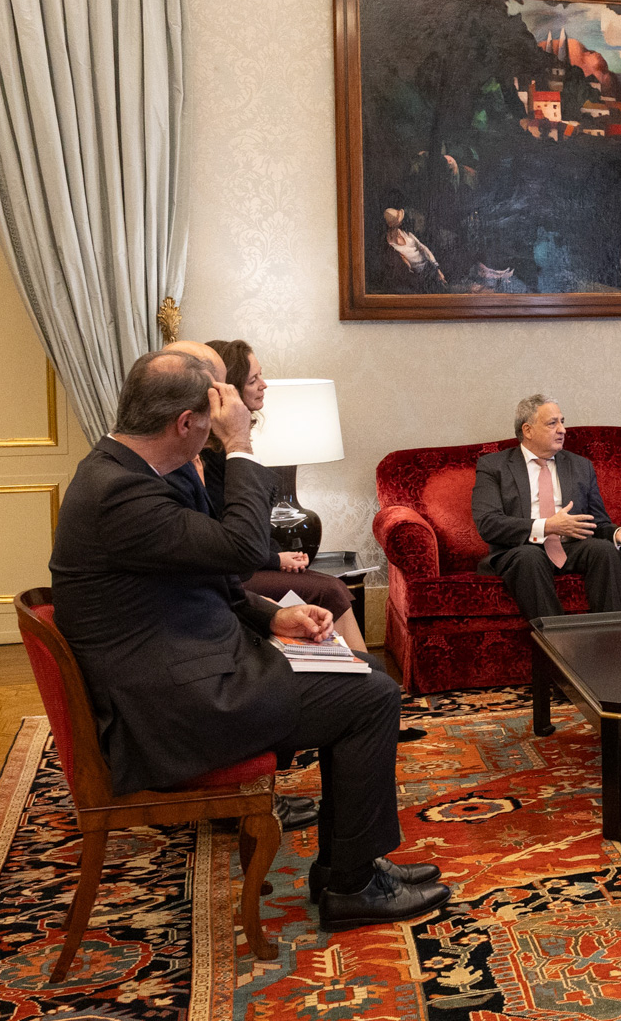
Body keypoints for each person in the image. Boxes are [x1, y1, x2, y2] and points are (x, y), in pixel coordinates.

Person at [50, 351, 449, 929]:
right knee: (374, 695)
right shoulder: (119, 492)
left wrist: (270, 620)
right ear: (186, 423)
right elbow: (241, 550)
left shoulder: (132, 470)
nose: (223, 423)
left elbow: (205, 569)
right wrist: (239, 446)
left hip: (185, 663)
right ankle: (352, 885)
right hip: (175, 707)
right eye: (214, 414)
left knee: (365, 674)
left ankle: (346, 867)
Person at [198, 338, 368, 652]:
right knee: (330, 589)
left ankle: (363, 670)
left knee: (330, 586)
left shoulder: (226, 450)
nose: (264, 385)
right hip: (232, 576)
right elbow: (227, 534)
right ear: (230, 389)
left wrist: (276, 557)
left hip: (248, 565)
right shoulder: (211, 457)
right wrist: (275, 558)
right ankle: (363, 670)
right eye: (253, 379)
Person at [472, 395, 621, 620]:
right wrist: (548, 526)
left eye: (562, 422)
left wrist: (616, 534)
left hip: (570, 547)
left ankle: (609, 635)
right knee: (530, 557)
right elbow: (488, 523)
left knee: (605, 551)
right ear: (528, 430)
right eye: (552, 423)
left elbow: (597, 522)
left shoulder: (580, 466)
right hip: (520, 549)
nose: (562, 430)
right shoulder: (494, 466)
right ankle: (556, 639)